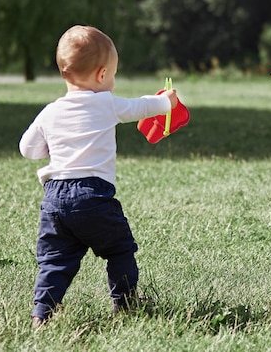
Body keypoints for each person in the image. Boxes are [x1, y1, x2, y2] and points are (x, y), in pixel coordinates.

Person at [19, 25, 178, 326]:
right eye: (114, 75)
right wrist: (166, 101)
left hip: (54, 200)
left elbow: (28, 149)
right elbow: (139, 107)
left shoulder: (50, 112)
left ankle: (41, 314)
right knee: (120, 249)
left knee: (54, 261)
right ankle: (125, 304)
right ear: (102, 75)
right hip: (93, 197)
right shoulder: (105, 103)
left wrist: (57, 147)